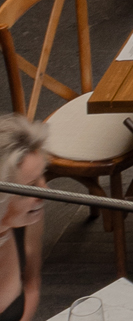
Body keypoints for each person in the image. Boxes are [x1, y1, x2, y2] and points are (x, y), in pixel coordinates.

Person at [0, 116, 47, 321]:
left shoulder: (28, 218)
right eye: (29, 188)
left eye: (42, 176)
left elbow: (31, 284)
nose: (44, 192)